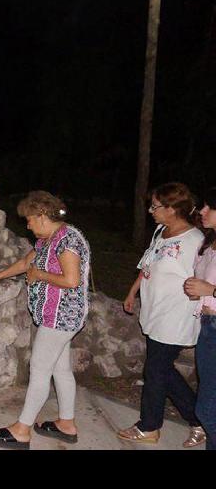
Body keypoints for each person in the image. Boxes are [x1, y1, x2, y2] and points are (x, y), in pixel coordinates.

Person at [0, 191, 90, 450]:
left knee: (39, 369)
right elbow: (25, 262)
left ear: (42, 215)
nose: (27, 224)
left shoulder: (67, 240)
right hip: (55, 317)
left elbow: (71, 280)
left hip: (61, 317)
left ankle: (22, 430)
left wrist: (40, 275)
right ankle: (66, 424)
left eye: (29, 219)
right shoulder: (47, 239)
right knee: (60, 370)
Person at [119, 182, 205, 447]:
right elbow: (148, 266)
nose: (150, 210)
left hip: (176, 316)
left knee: (156, 369)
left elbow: (203, 280)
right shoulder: (161, 230)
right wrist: (133, 292)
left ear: (172, 209)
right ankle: (200, 420)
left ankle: (150, 426)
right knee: (161, 369)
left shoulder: (194, 241)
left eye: (155, 206)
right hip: (155, 311)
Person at [184, 187, 216, 450]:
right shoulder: (208, 243)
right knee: (208, 402)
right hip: (207, 327)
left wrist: (210, 291)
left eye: (209, 207)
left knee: (207, 410)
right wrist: (196, 293)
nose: (202, 211)